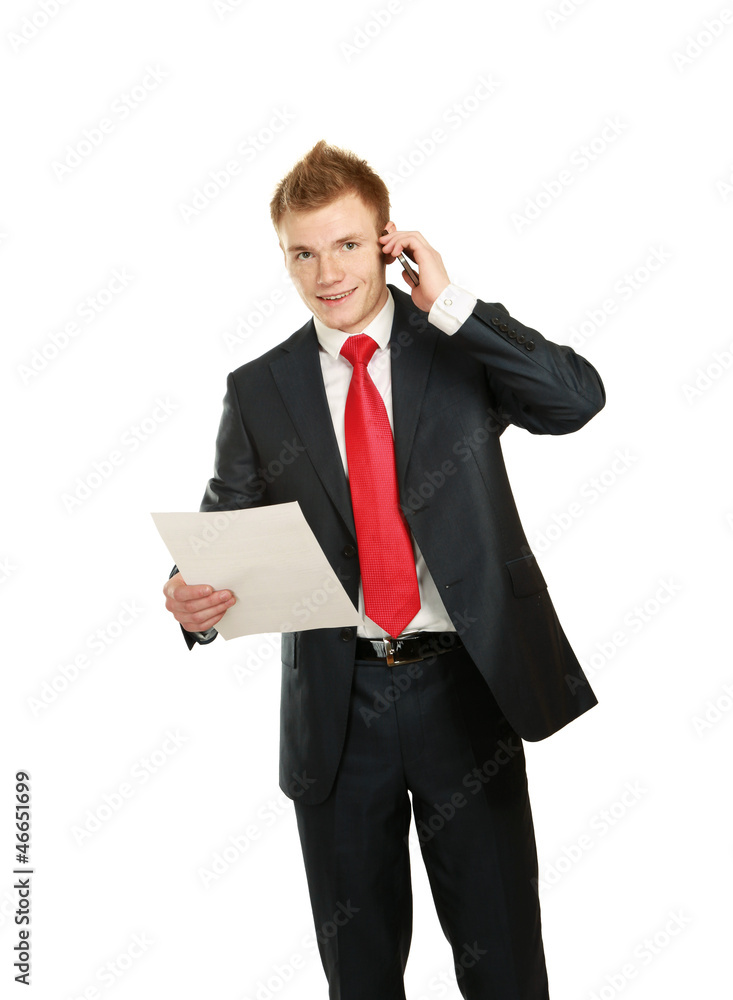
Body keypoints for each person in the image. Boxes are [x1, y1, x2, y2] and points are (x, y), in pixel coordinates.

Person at [163, 140, 605, 999]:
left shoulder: (457, 347)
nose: (327, 273)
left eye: (346, 244)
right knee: (358, 974)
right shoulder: (259, 389)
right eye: (302, 253)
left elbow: (574, 401)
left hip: (467, 689)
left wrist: (452, 304)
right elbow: (221, 536)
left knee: (503, 960)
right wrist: (190, 597)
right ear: (283, 259)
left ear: (386, 240)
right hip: (338, 710)